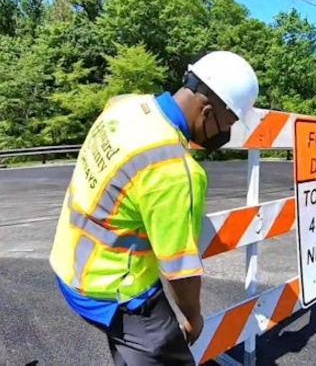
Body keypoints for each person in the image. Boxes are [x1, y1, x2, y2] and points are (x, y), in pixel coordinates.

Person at [49, 51, 259, 365]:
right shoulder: (173, 168)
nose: (224, 135)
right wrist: (193, 317)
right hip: (114, 291)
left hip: (67, 263)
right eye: (226, 124)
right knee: (166, 351)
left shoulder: (125, 105)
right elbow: (180, 270)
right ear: (206, 111)